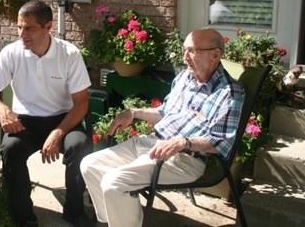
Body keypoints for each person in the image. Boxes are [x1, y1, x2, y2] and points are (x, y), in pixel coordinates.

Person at [80, 28, 245, 226]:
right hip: (152, 143)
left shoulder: (229, 92)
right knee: (90, 165)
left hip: (185, 159)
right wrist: (133, 113)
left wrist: (183, 143)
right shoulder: (185, 78)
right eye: (184, 50)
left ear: (215, 55)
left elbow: (221, 142)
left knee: (114, 183)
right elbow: (164, 112)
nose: (184, 58)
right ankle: (113, 221)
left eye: (192, 51)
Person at [0, 0, 93, 226]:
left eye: (29, 28)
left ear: (48, 27)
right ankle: (24, 218)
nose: (22, 34)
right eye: (19, 27)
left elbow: (81, 103)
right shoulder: (11, 53)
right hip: (26, 122)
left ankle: (74, 212)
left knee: (79, 145)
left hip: (63, 118)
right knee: (10, 149)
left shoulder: (69, 54)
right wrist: (2, 109)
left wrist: (58, 133)